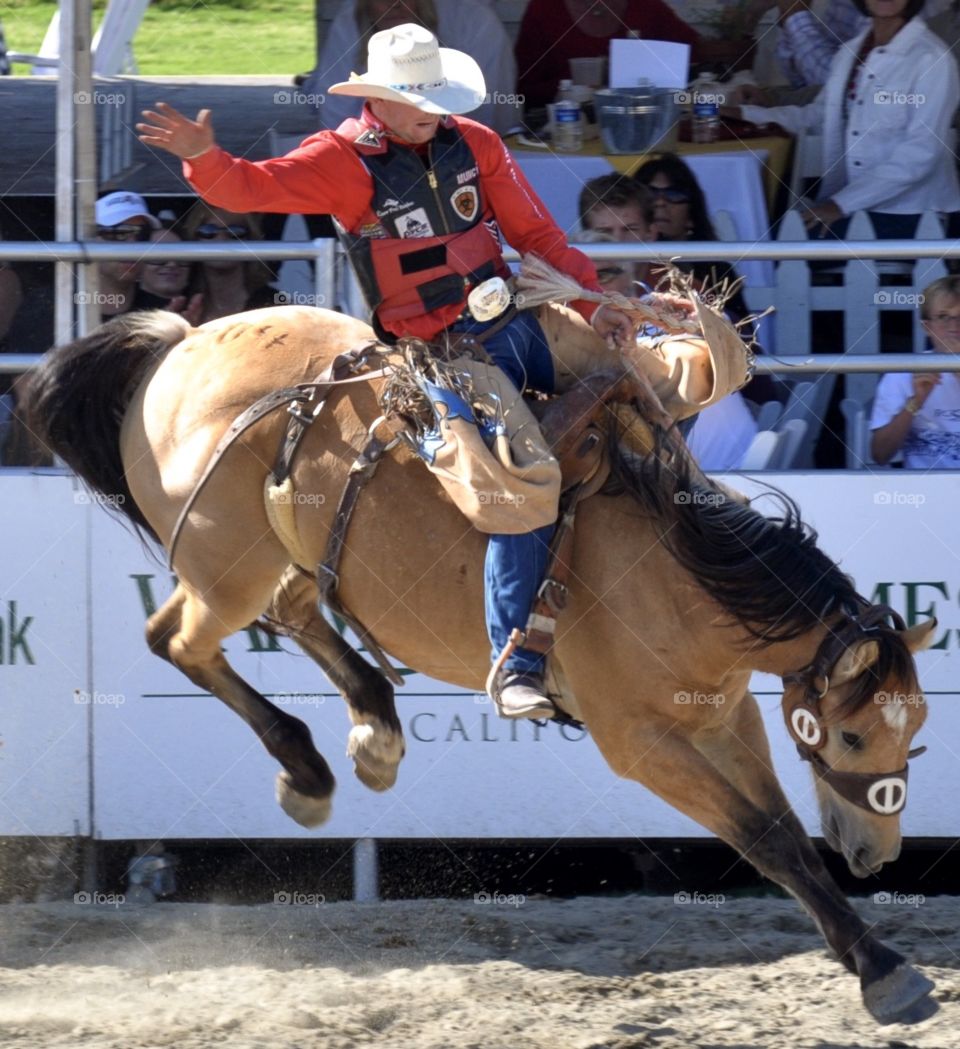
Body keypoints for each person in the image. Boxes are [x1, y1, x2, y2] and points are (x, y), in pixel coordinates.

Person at [137, 23, 635, 721]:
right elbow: (254, 189)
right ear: (382, 100)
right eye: (416, 95)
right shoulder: (341, 159)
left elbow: (537, 237)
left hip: (517, 320)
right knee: (520, 485)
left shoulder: (477, 142)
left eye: (435, 93)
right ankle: (517, 660)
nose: (431, 108)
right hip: (443, 353)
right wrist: (204, 160)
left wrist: (599, 301)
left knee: (648, 380)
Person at [728, 0, 960, 239]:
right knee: (752, 230)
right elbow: (817, 115)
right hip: (853, 205)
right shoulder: (852, 51)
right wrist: (745, 115)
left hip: (911, 214)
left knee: (770, 243)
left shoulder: (931, 59)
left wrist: (840, 205)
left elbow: (922, 152)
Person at [304, 0, 520, 135]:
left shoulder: (473, 21)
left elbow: (491, 116)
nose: (395, 4)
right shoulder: (350, 23)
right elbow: (334, 115)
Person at [515, 0, 702, 112]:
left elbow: (695, 52)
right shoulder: (543, 9)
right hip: (565, 132)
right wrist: (578, 86)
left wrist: (641, 67)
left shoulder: (647, 7)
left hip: (643, 125)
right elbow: (523, 90)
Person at [870, 276, 960, 467]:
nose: (954, 327)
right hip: (923, 491)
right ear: (928, 327)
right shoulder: (902, 374)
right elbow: (880, 455)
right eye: (943, 316)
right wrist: (915, 402)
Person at [175, 203, 278, 324]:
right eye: (208, 231)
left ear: (251, 239)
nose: (221, 239)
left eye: (235, 232)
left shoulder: (275, 304)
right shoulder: (180, 304)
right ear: (194, 238)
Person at [578, 174, 657, 288]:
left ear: (650, 234)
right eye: (605, 232)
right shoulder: (566, 297)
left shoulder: (683, 293)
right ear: (585, 238)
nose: (618, 240)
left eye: (629, 230)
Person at [94, 191, 161, 322]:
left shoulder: (163, 314)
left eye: (142, 234)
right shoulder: (56, 310)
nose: (132, 245)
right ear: (89, 238)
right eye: (119, 232)